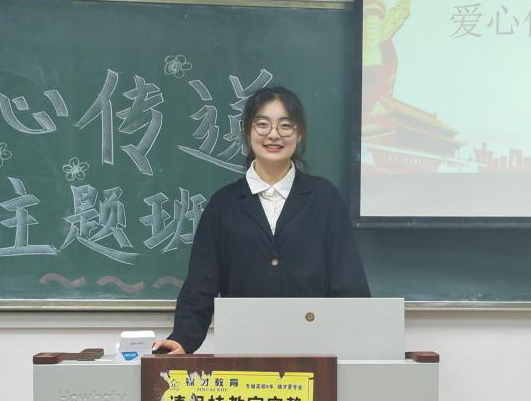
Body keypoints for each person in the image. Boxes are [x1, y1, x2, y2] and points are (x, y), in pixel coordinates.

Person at [153, 86, 370, 354]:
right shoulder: (224, 204)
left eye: (286, 125)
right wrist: (182, 338)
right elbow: (201, 284)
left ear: (299, 133)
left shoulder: (324, 198)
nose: (274, 134)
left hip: (314, 351)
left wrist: (360, 343)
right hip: (243, 353)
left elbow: (348, 281)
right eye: (262, 124)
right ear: (248, 131)